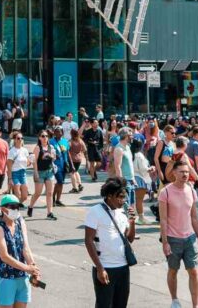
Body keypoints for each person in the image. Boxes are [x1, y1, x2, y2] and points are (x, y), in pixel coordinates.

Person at [158, 159, 198, 308]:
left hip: (190, 238)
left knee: (194, 272)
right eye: (182, 172)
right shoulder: (165, 192)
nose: (185, 174)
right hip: (173, 239)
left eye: (187, 171)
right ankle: (175, 300)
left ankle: (195, 305)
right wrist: (165, 242)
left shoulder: (191, 190)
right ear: (174, 173)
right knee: (173, 270)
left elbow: (194, 217)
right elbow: (163, 220)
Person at [84, 178, 136, 308]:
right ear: (109, 196)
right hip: (105, 267)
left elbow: (129, 239)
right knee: (104, 305)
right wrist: (100, 268)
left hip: (123, 268)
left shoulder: (122, 212)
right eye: (120, 197)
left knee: (121, 304)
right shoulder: (95, 211)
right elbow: (88, 240)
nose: (123, 200)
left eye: (124, 197)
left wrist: (132, 222)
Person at [0, 194, 40, 308]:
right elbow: (4, 256)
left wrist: (34, 269)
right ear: (3, 209)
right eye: (13, 207)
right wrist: (27, 268)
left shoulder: (20, 223)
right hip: (7, 278)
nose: (16, 210)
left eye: (17, 207)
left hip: (22, 278)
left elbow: (26, 248)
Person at [27, 130, 57, 220]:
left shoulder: (51, 147)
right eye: (43, 136)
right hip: (40, 172)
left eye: (46, 136)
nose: (45, 138)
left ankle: (49, 212)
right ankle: (30, 206)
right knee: (38, 193)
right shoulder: (37, 148)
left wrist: (50, 156)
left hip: (49, 171)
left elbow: (54, 158)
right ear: (39, 138)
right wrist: (35, 172)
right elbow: (34, 161)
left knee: (50, 193)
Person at [7, 132, 32, 204]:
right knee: (17, 194)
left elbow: (27, 163)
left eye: (22, 138)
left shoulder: (25, 150)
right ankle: (15, 208)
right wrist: (10, 179)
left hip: (23, 173)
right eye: (18, 138)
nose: (20, 140)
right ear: (14, 140)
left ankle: (15, 204)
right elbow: (9, 166)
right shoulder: (12, 151)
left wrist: (31, 160)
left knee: (25, 196)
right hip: (15, 173)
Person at [131, 139, 152, 224]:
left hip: (132, 177)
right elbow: (143, 168)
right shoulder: (139, 155)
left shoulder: (130, 153)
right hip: (140, 178)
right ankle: (141, 218)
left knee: (133, 200)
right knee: (139, 200)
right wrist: (151, 168)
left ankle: (136, 217)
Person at [52, 127, 69, 207]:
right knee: (59, 181)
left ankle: (58, 199)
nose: (58, 133)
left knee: (61, 182)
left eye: (60, 132)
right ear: (54, 133)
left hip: (64, 164)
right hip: (55, 165)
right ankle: (52, 198)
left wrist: (71, 165)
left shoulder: (65, 141)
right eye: (56, 132)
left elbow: (67, 153)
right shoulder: (51, 141)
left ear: (62, 132)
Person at [68, 129, 86, 194]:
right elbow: (84, 149)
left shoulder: (71, 141)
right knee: (76, 171)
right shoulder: (80, 141)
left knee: (72, 173)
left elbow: (67, 149)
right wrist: (80, 152)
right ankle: (80, 184)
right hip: (79, 159)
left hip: (72, 159)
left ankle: (74, 188)